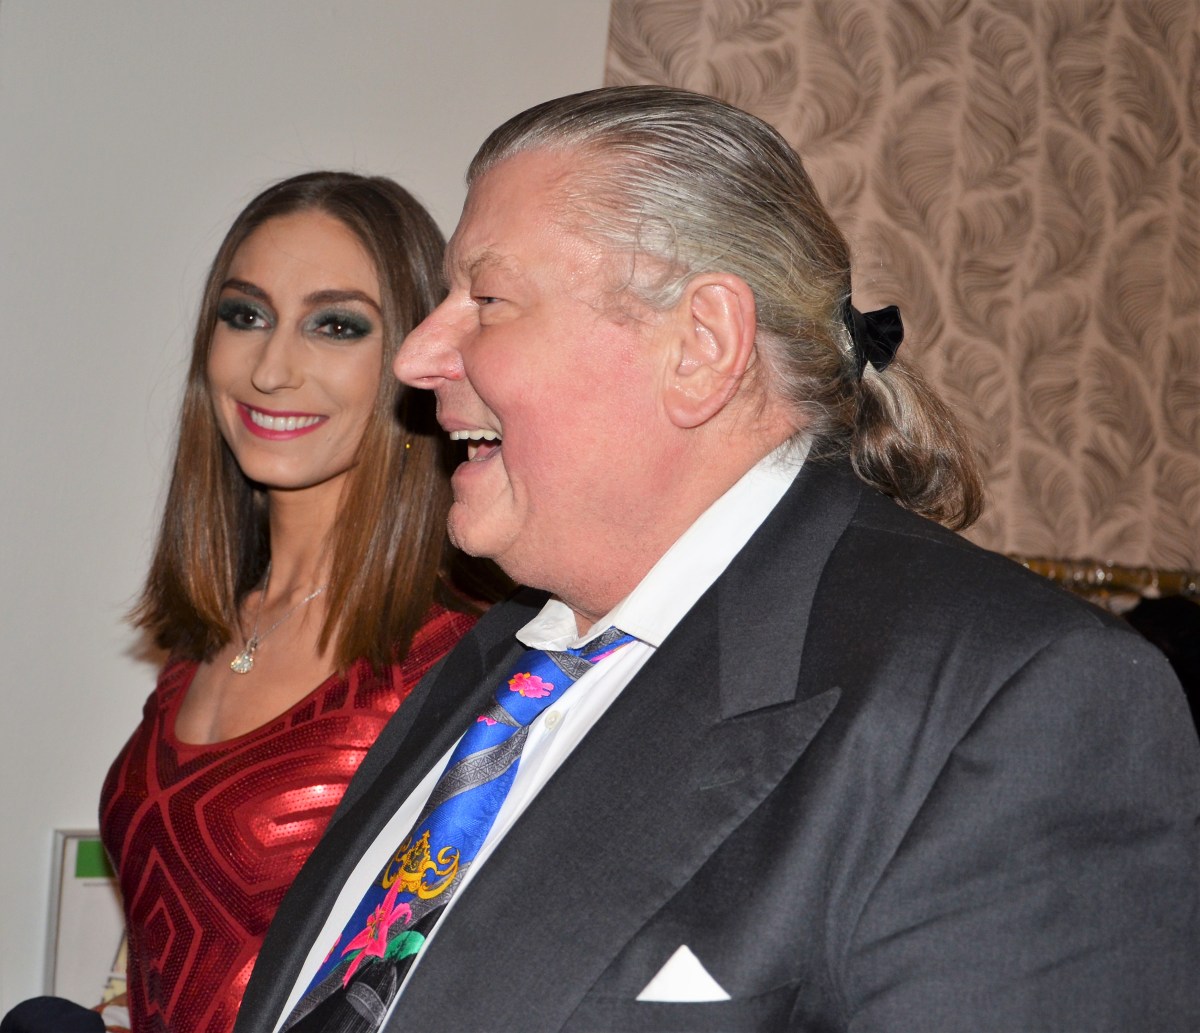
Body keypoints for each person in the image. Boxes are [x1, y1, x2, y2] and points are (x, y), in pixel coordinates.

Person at [234, 89, 1200, 1033]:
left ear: (701, 345)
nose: (417, 356)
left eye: (486, 299)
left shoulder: (1015, 703)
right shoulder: (495, 663)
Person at [96, 172, 491, 1033]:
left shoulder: (463, 660)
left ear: (416, 353)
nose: (270, 369)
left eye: (335, 325)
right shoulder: (206, 634)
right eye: (245, 315)